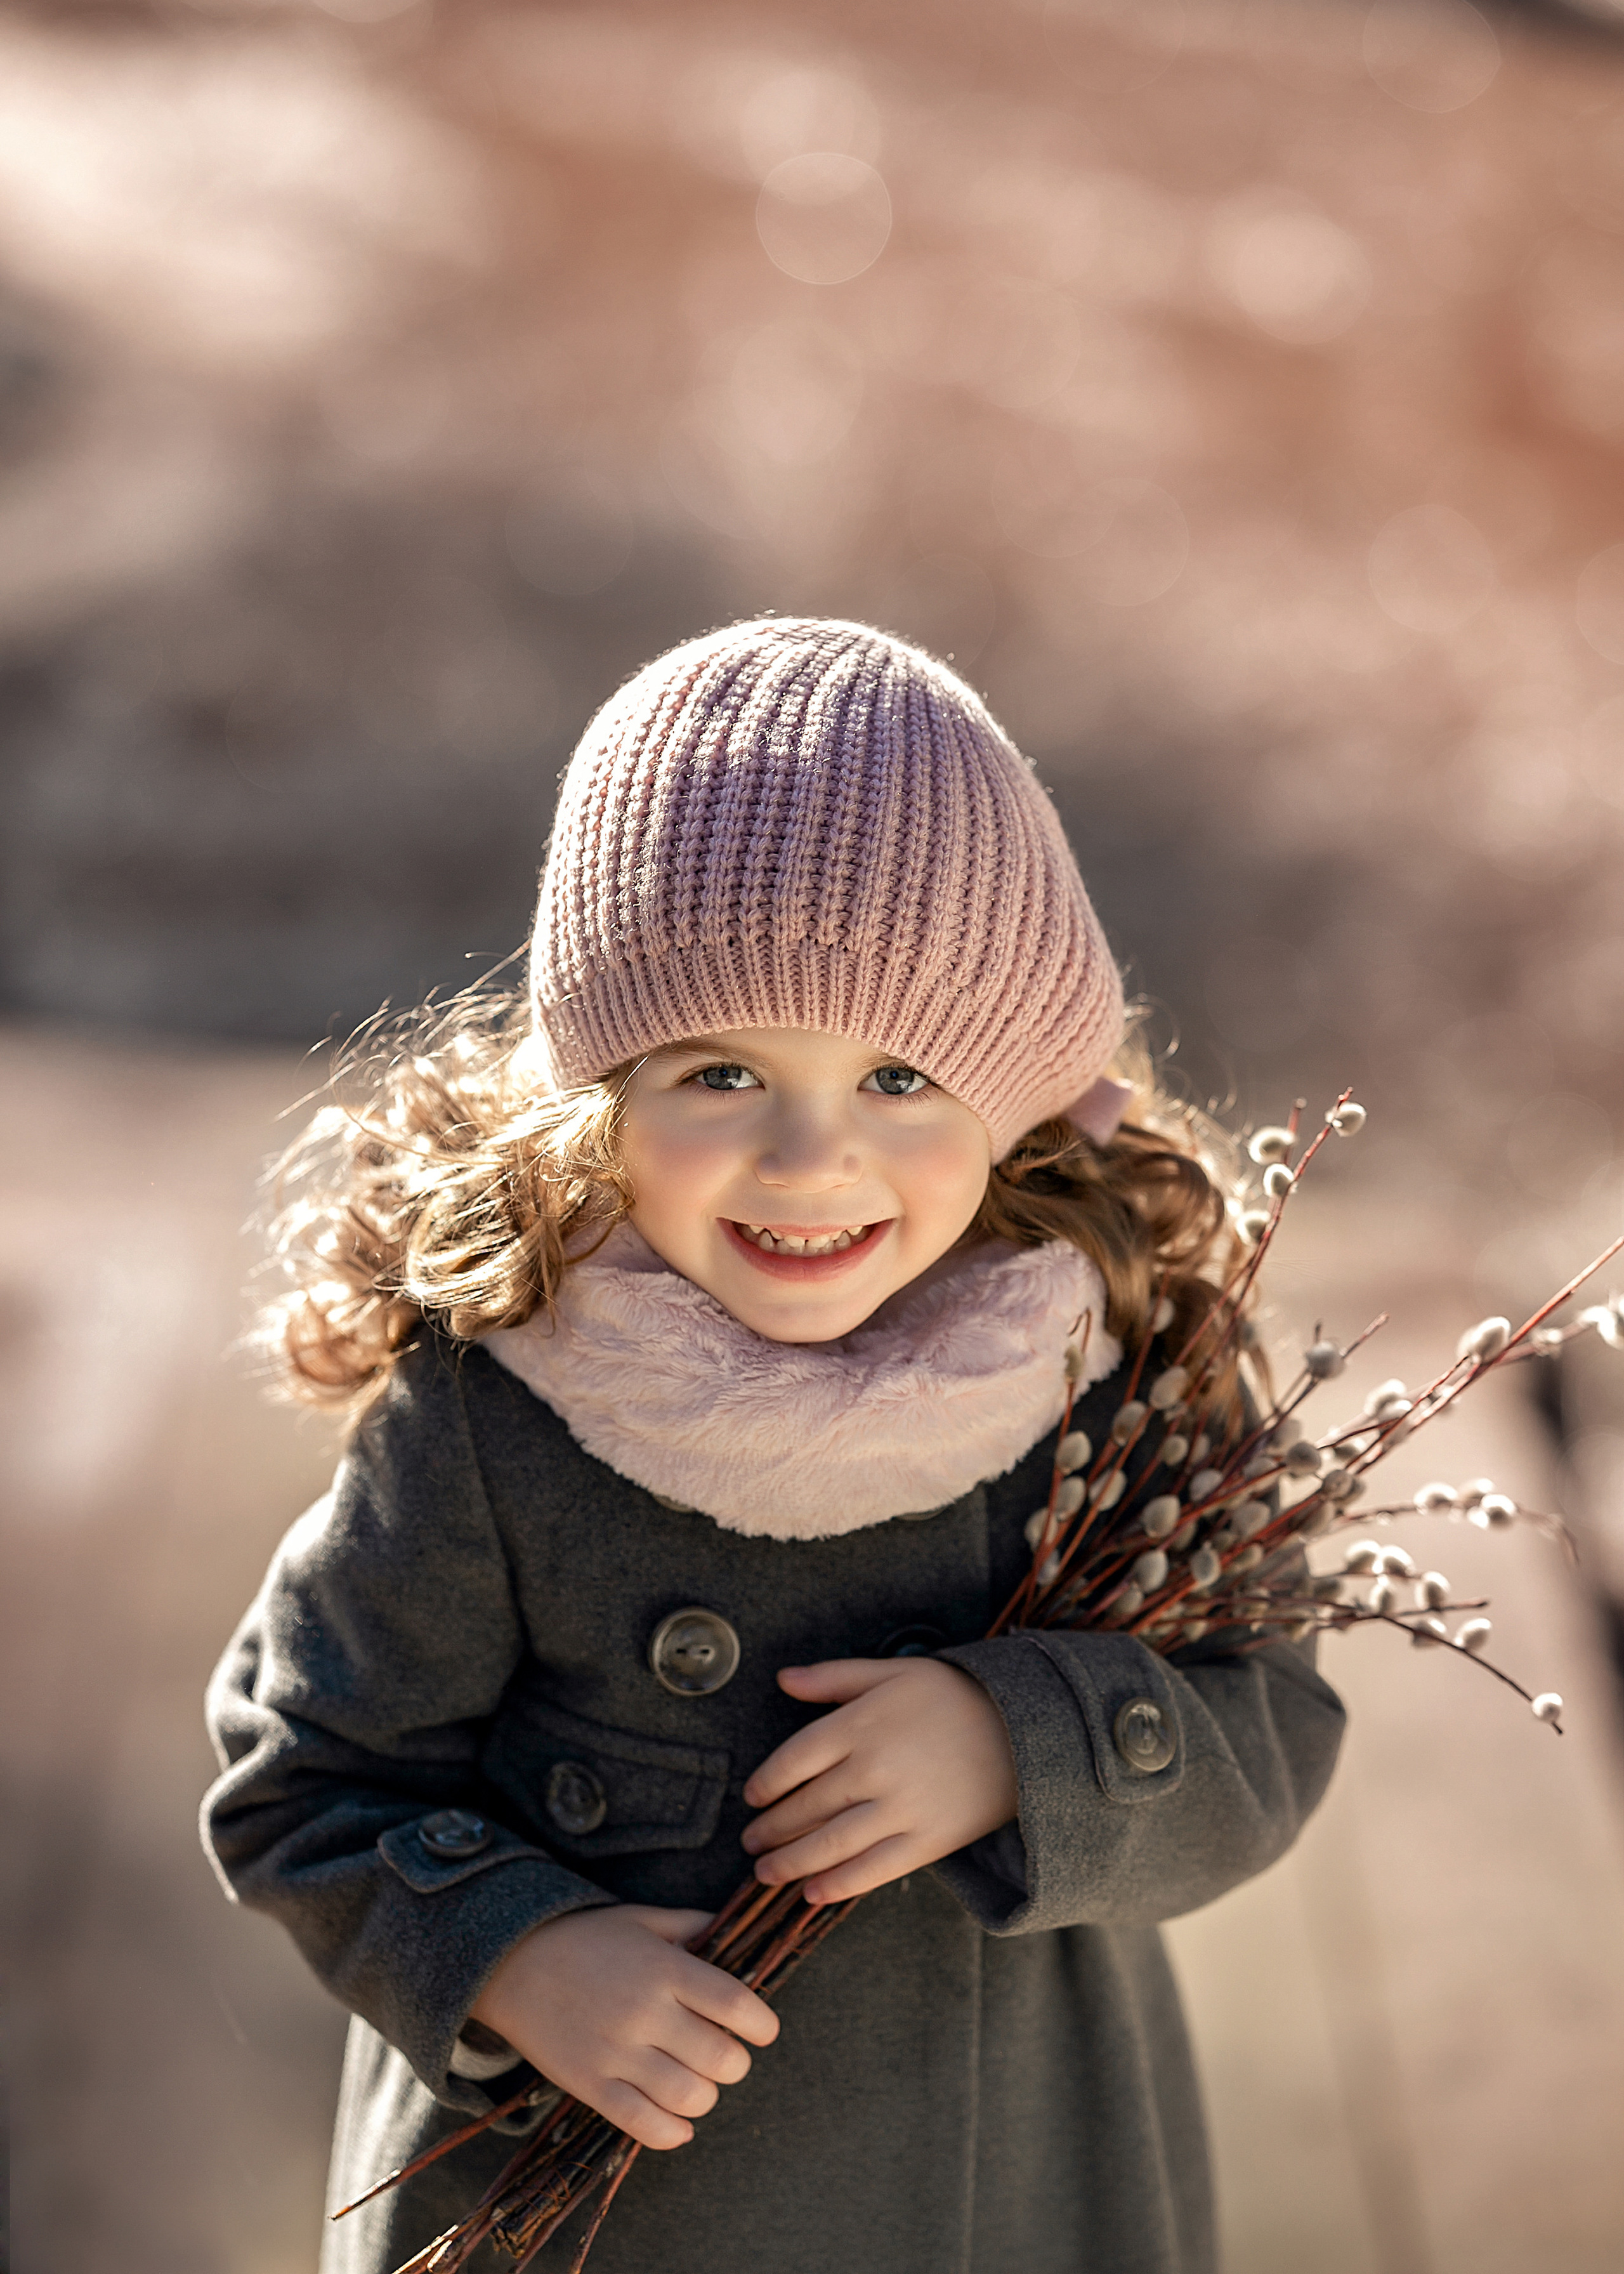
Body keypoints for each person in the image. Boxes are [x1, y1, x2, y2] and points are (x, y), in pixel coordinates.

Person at [202, 617, 1346, 2274]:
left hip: (1007, 2196)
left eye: (899, 1075)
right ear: (599, 1088)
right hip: (596, 2214)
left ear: (1021, 1093)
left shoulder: (1103, 1361)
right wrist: (519, 1955)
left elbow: (1273, 1720)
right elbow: (304, 1777)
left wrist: (1021, 1745)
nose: (811, 1158)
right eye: (720, 1070)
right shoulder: (504, 1399)